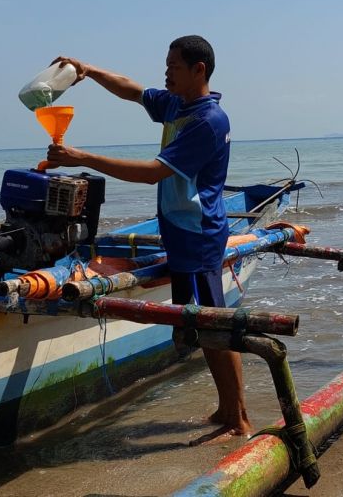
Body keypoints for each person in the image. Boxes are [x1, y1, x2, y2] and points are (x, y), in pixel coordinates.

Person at [44, 35, 251, 438]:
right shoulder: (178, 104)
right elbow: (134, 90)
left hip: (199, 232)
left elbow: (151, 173)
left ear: (198, 70)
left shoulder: (207, 121)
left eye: (173, 66)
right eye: (166, 65)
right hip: (179, 228)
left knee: (214, 325)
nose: (166, 73)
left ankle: (238, 416)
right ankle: (228, 410)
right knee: (201, 324)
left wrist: (81, 157)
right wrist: (90, 70)